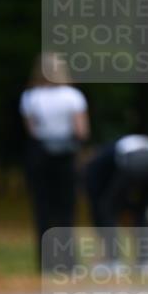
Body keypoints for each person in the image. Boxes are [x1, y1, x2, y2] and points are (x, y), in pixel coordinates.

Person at [20, 53, 90, 273]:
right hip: (66, 156)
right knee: (66, 209)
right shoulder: (73, 96)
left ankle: (45, 263)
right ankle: (68, 262)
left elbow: (31, 129)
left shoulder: (31, 96)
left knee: (42, 208)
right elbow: (81, 131)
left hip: (40, 154)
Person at [84, 134, 148, 270]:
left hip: (133, 163)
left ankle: (113, 261)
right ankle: (145, 263)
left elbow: (95, 188)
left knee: (106, 208)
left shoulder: (101, 156)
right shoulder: (123, 144)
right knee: (143, 210)